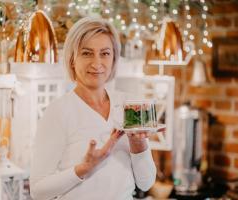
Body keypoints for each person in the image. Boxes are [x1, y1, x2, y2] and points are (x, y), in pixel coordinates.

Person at [30, 17, 156, 200]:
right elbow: (38, 190)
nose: (96, 63)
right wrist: (84, 168)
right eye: (87, 53)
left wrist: (138, 145)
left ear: (114, 59)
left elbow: (146, 183)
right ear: (72, 59)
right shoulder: (58, 112)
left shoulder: (128, 105)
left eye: (105, 53)